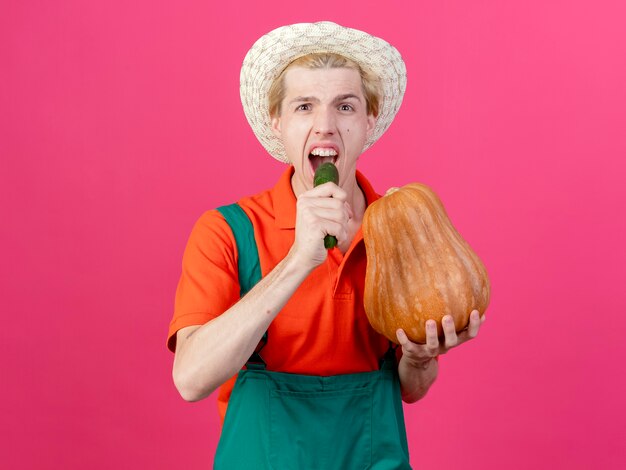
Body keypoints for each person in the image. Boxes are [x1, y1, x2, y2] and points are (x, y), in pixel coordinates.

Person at [167, 21, 486, 469]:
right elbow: (190, 379)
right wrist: (299, 258)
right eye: (304, 106)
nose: (325, 126)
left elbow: (411, 388)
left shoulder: (398, 231)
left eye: (346, 106)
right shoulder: (227, 230)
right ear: (278, 122)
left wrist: (419, 357)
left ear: (369, 120)